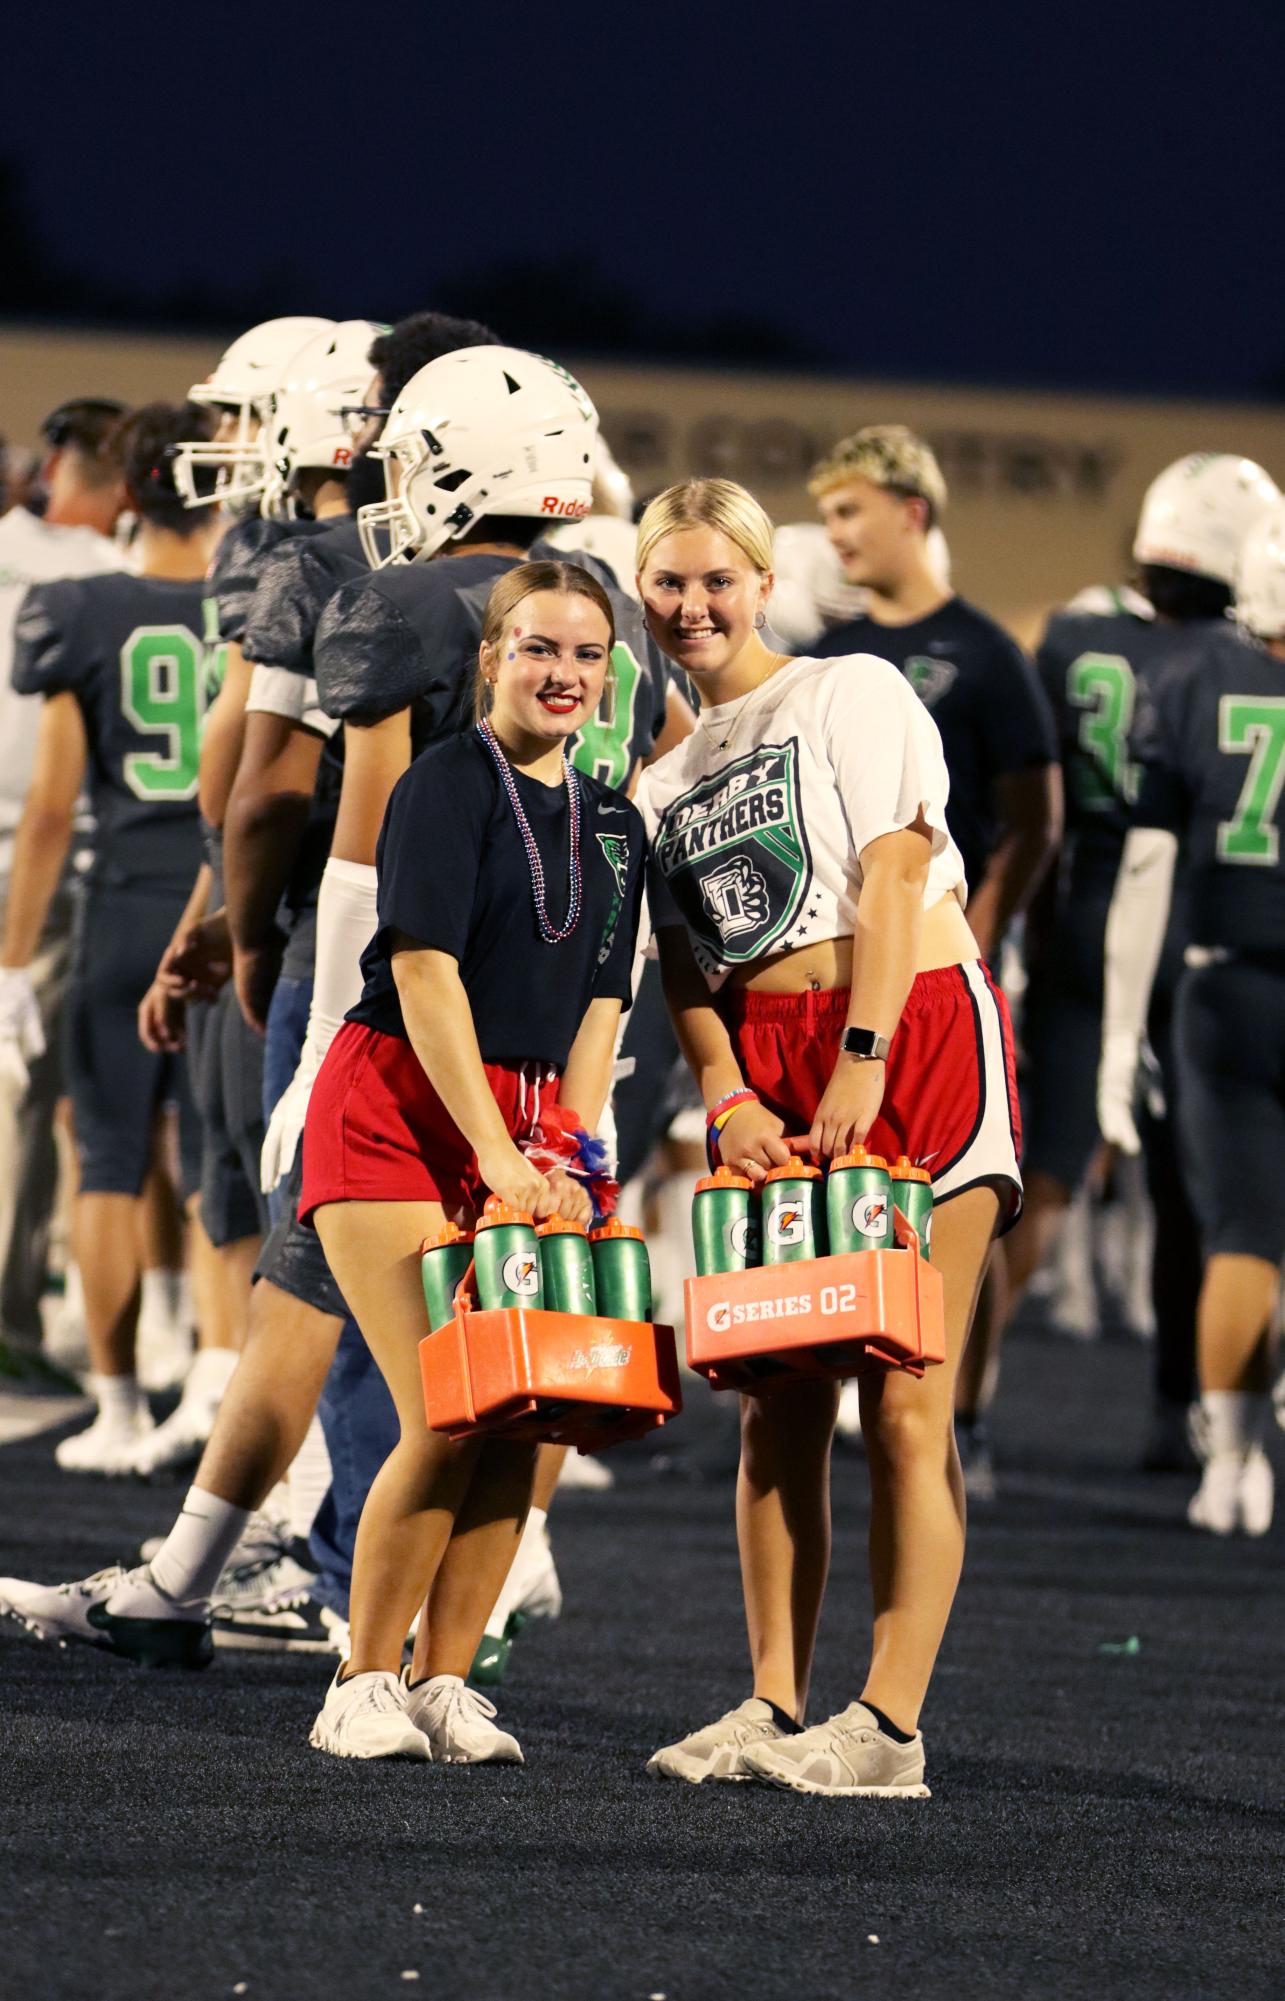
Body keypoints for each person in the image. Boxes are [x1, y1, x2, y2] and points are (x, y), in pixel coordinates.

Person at [634, 478, 1021, 1798]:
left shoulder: (849, 689)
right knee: (775, 1400)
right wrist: (728, 1096)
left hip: (909, 1022)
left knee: (905, 1401)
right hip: (771, 1072)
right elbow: (685, 965)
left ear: (759, 581)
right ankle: (772, 1698)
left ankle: (889, 1727)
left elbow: (901, 872)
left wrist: (860, 1056)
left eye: (715, 579)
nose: (691, 606)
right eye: (668, 581)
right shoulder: (658, 777)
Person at [304, 558, 644, 1761]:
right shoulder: (443, 784)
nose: (563, 674)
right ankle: (358, 1679)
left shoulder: (616, 820)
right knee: (445, 1407)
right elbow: (422, 973)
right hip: (398, 1107)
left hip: (532, 1127)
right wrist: (499, 1153)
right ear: (490, 657)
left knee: (528, 1415)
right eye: (539, 648)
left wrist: (570, 1154)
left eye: (587, 654)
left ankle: (444, 1682)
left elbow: (604, 1007)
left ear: (611, 675)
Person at [1017, 453, 1280, 1470]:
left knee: (1037, 1178)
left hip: (1086, 903)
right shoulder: (1230, 662)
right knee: (1205, 1201)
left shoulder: (1078, 634)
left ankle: (960, 1410)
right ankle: (1188, 1409)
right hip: (1201, 929)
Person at [2, 404, 220, 1470]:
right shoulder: (262, 603)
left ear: (131, 490)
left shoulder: (80, 609)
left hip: (125, 900)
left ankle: (123, 1403)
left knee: (107, 1159)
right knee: (219, 1159)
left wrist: (8, 965)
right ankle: (211, 1369)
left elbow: (48, 812)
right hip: (231, 908)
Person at [1098, 491, 1285, 1537]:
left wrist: (1122, 1033)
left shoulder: (1192, 677)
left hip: (1225, 986)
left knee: (1240, 1237)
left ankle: (1230, 1458)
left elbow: (1146, 868)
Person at [0, 398, 128, 1375]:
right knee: (38, 1105)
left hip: (47, 855)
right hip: (74, 862)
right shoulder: (122, 583)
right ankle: (11, 1316)